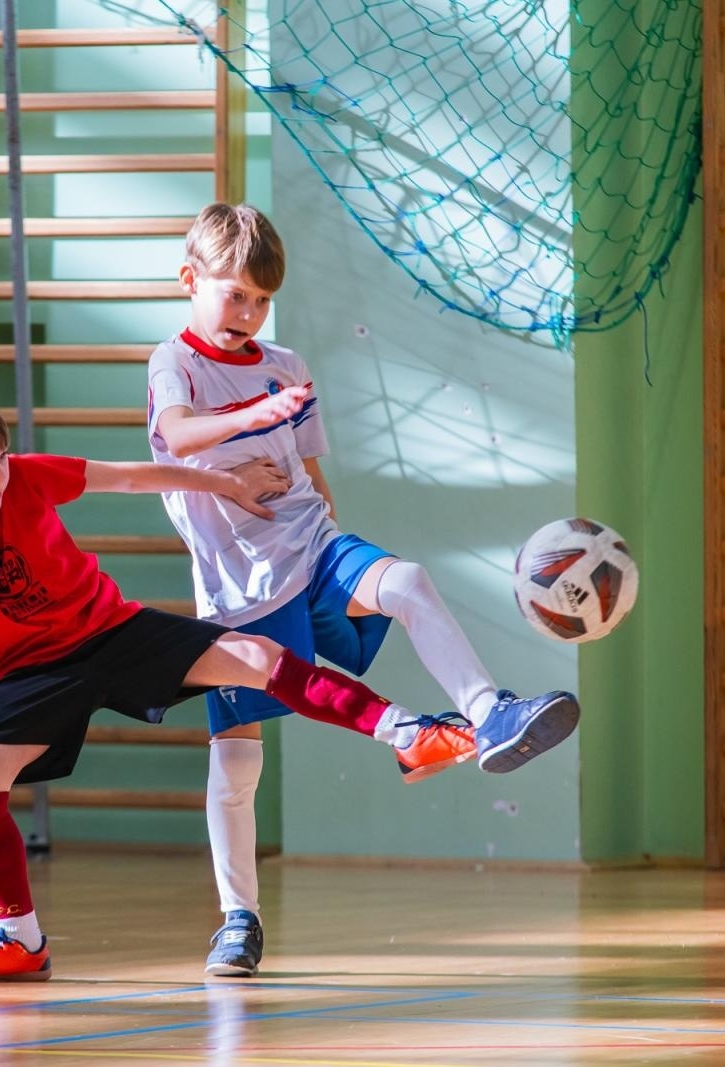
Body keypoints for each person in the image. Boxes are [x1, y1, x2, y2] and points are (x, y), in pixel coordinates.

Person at [0, 385, 474, 984]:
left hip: (111, 630)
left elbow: (125, 478)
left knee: (256, 655)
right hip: (34, 669)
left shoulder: (26, 477)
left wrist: (224, 483)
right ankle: (20, 939)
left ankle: (409, 733)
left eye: (1, 457)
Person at [147, 202, 582, 977]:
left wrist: (329, 521)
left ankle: (490, 715)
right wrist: (249, 423)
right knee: (237, 763)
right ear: (190, 280)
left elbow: (309, 465)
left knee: (407, 579)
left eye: (260, 299)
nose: (247, 312)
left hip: (314, 549)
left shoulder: (287, 364)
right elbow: (178, 436)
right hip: (238, 587)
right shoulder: (174, 363)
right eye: (233, 294)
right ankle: (238, 917)